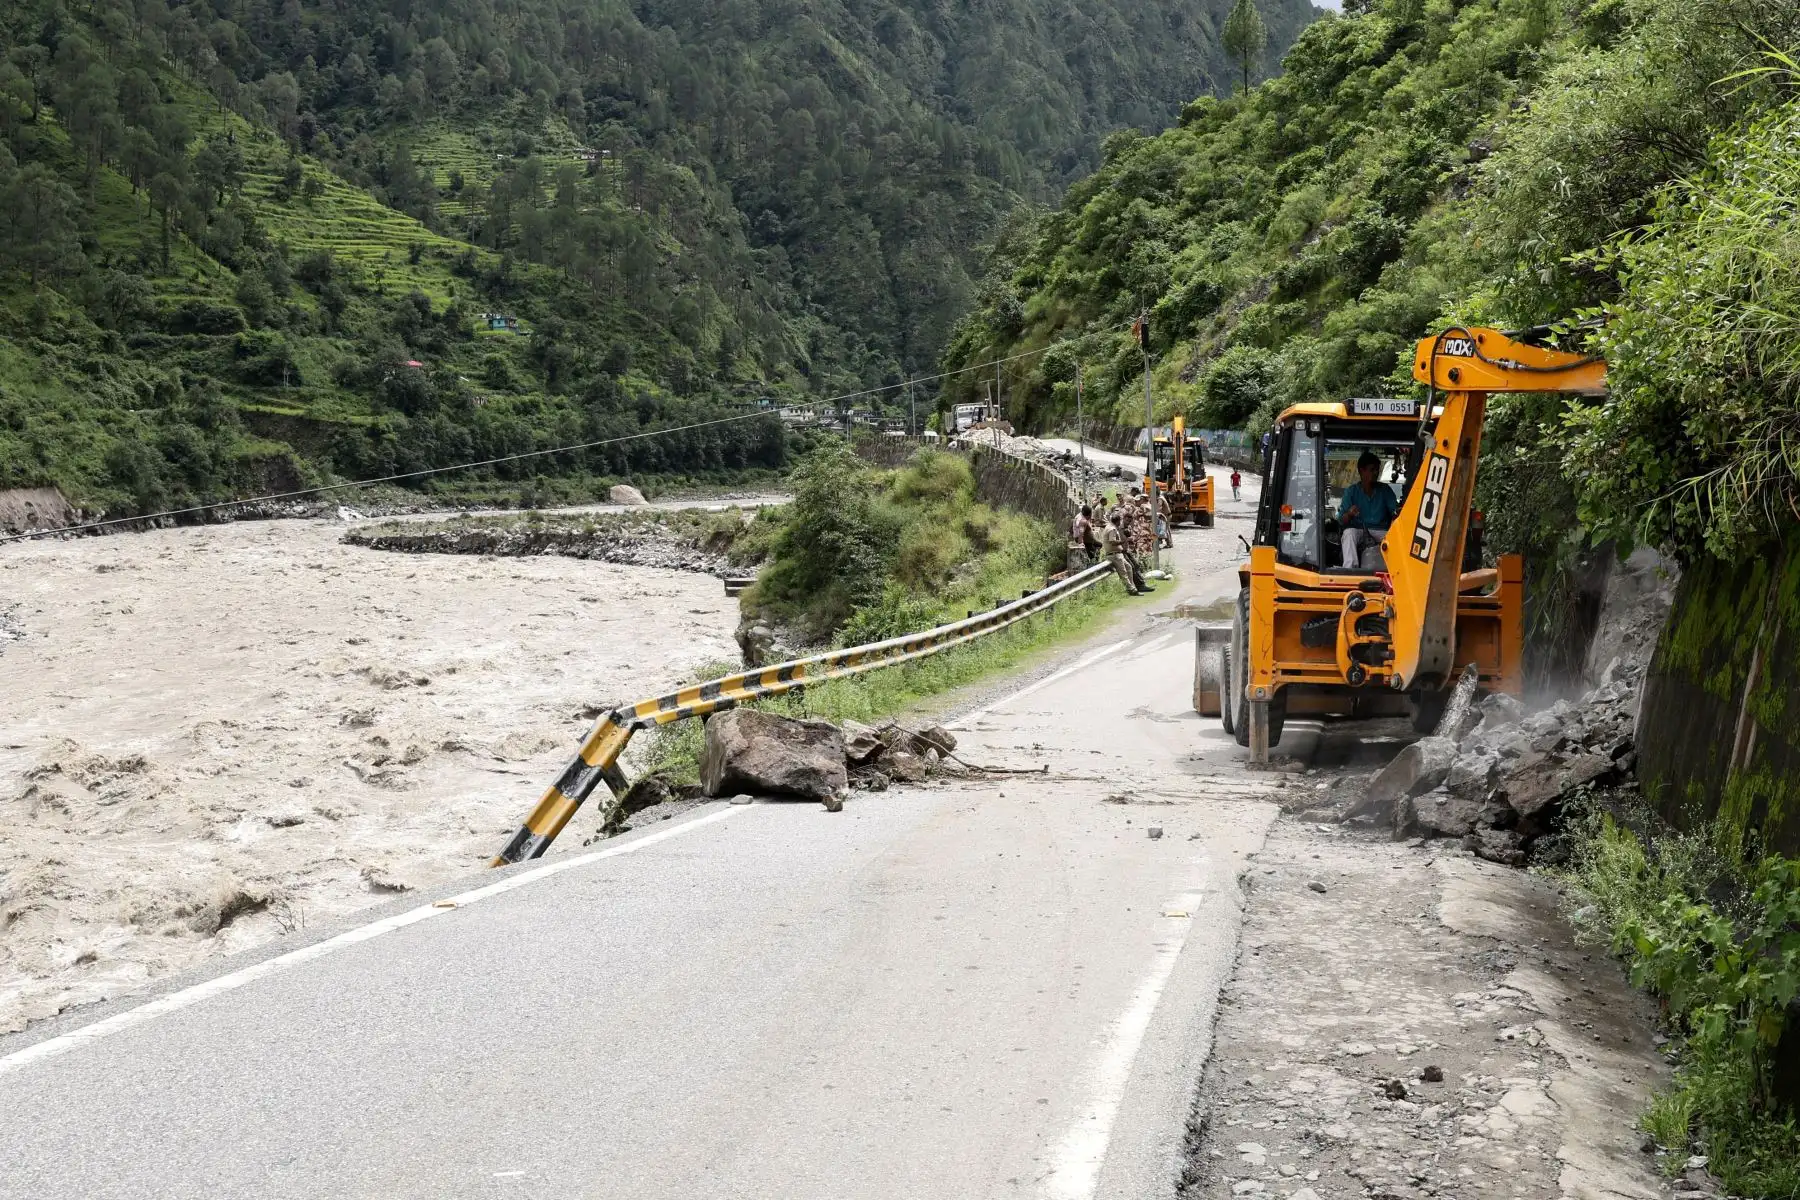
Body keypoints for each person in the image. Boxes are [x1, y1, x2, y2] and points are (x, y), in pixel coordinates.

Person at [1338, 450, 1401, 569]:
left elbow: (1395, 512)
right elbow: (1342, 521)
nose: (1376, 473)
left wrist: (1396, 514)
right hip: (1360, 530)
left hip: (1381, 532)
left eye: (1377, 469)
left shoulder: (1385, 490)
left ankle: (1395, 570)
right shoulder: (1351, 492)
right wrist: (1350, 514)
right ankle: (1350, 569)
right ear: (1361, 471)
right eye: (1372, 469)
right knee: (1348, 533)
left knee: (1397, 538)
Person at [1100, 511, 1145, 594]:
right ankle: (1131, 590)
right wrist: (1123, 541)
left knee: (1129, 568)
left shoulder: (1111, 527)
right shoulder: (1112, 529)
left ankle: (1133, 587)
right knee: (1124, 573)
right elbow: (1112, 541)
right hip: (1114, 554)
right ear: (1118, 521)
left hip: (1117, 553)